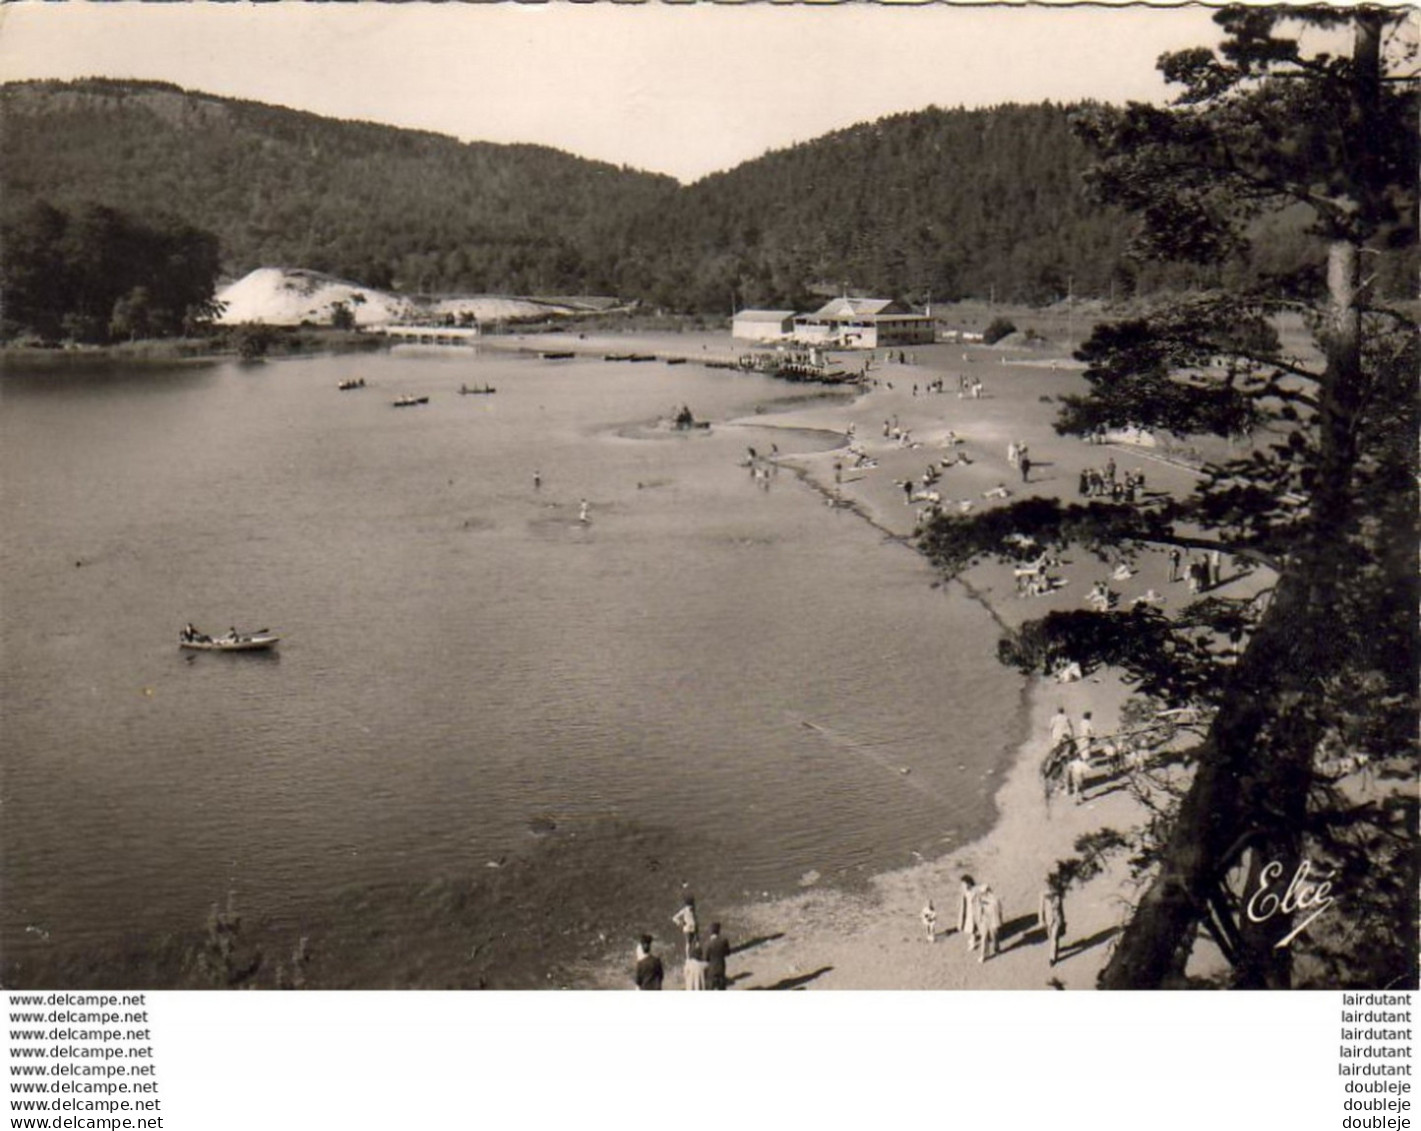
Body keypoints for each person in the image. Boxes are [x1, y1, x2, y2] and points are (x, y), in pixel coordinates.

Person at [1040, 884, 1067, 965]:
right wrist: (1041, 920)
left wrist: (1063, 919)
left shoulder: (1058, 895)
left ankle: (1052, 958)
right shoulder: (1043, 895)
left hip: (1057, 920)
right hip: (1048, 920)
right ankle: (1056, 949)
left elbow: (1061, 908)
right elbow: (1041, 909)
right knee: (1051, 937)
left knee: (1054, 937)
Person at [976, 885, 1003, 962]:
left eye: (984, 892)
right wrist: (980, 919)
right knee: (984, 937)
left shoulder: (995, 899)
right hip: (985, 920)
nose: (983, 894)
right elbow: (979, 910)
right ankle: (983, 955)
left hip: (993, 920)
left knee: (994, 936)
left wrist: (999, 921)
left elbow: (999, 911)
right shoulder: (981, 899)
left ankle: (996, 949)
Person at [703, 922, 731, 990]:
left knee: (710, 987)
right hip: (721, 966)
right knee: (721, 987)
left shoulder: (707, 944)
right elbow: (728, 953)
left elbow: (705, 958)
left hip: (711, 969)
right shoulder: (724, 941)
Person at [958, 875, 979, 949]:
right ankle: (973, 938)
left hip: (973, 913)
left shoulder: (973, 892)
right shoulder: (966, 893)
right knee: (970, 927)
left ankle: (973, 943)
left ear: (969, 884)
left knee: (972, 928)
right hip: (968, 912)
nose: (962, 886)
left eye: (964, 884)